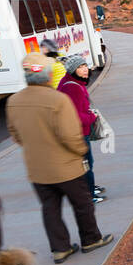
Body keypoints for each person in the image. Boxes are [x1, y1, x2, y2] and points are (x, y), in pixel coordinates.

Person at [6, 55, 114, 263]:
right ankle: (91, 240)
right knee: (82, 204)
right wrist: (81, 150)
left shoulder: (13, 101)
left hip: (36, 168)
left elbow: (16, 135)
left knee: (50, 208)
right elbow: (70, 135)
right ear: (47, 75)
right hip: (66, 166)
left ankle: (60, 248)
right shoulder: (57, 100)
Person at [57, 54, 106, 203]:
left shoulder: (70, 82)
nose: (85, 70)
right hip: (77, 133)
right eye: (79, 67)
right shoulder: (73, 88)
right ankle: (89, 195)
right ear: (72, 70)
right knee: (86, 164)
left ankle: (90, 187)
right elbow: (77, 117)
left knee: (84, 163)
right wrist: (92, 117)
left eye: (84, 65)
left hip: (74, 133)